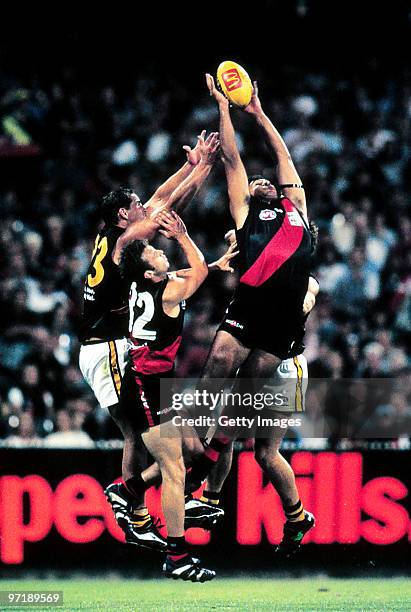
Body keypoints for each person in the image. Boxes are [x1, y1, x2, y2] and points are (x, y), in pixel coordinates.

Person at [186, 75, 317, 556]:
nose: (262, 179)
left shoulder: (297, 208)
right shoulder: (245, 215)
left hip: (282, 338)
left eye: (269, 181)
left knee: (250, 430)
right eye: (257, 180)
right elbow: (232, 159)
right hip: (249, 315)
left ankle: (215, 491)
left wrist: (258, 111)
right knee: (216, 379)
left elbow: (283, 158)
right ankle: (202, 475)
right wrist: (224, 108)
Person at [79, 131, 220, 551]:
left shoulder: (113, 238)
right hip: (105, 347)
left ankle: (160, 493)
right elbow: (165, 205)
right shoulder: (124, 241)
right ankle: (135, 509)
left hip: (108, 345)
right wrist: (201, 167)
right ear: (124, 215)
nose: (145, 206)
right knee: (135, 431)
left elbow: (161, 199)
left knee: (146, 429)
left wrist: (193, 167)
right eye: (135, 205)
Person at [119, 210, 216, 581]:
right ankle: (177, 557)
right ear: (148, 272)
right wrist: (183, 235)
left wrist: (209, 262)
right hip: (146, 385)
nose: (161, 253)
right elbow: (199, 271)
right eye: (154, 255)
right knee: (175, 468)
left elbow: (187, 272)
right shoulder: (168, 291)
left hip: (157, 382)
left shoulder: (152, 284)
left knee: (193, 450)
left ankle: (127, 489)